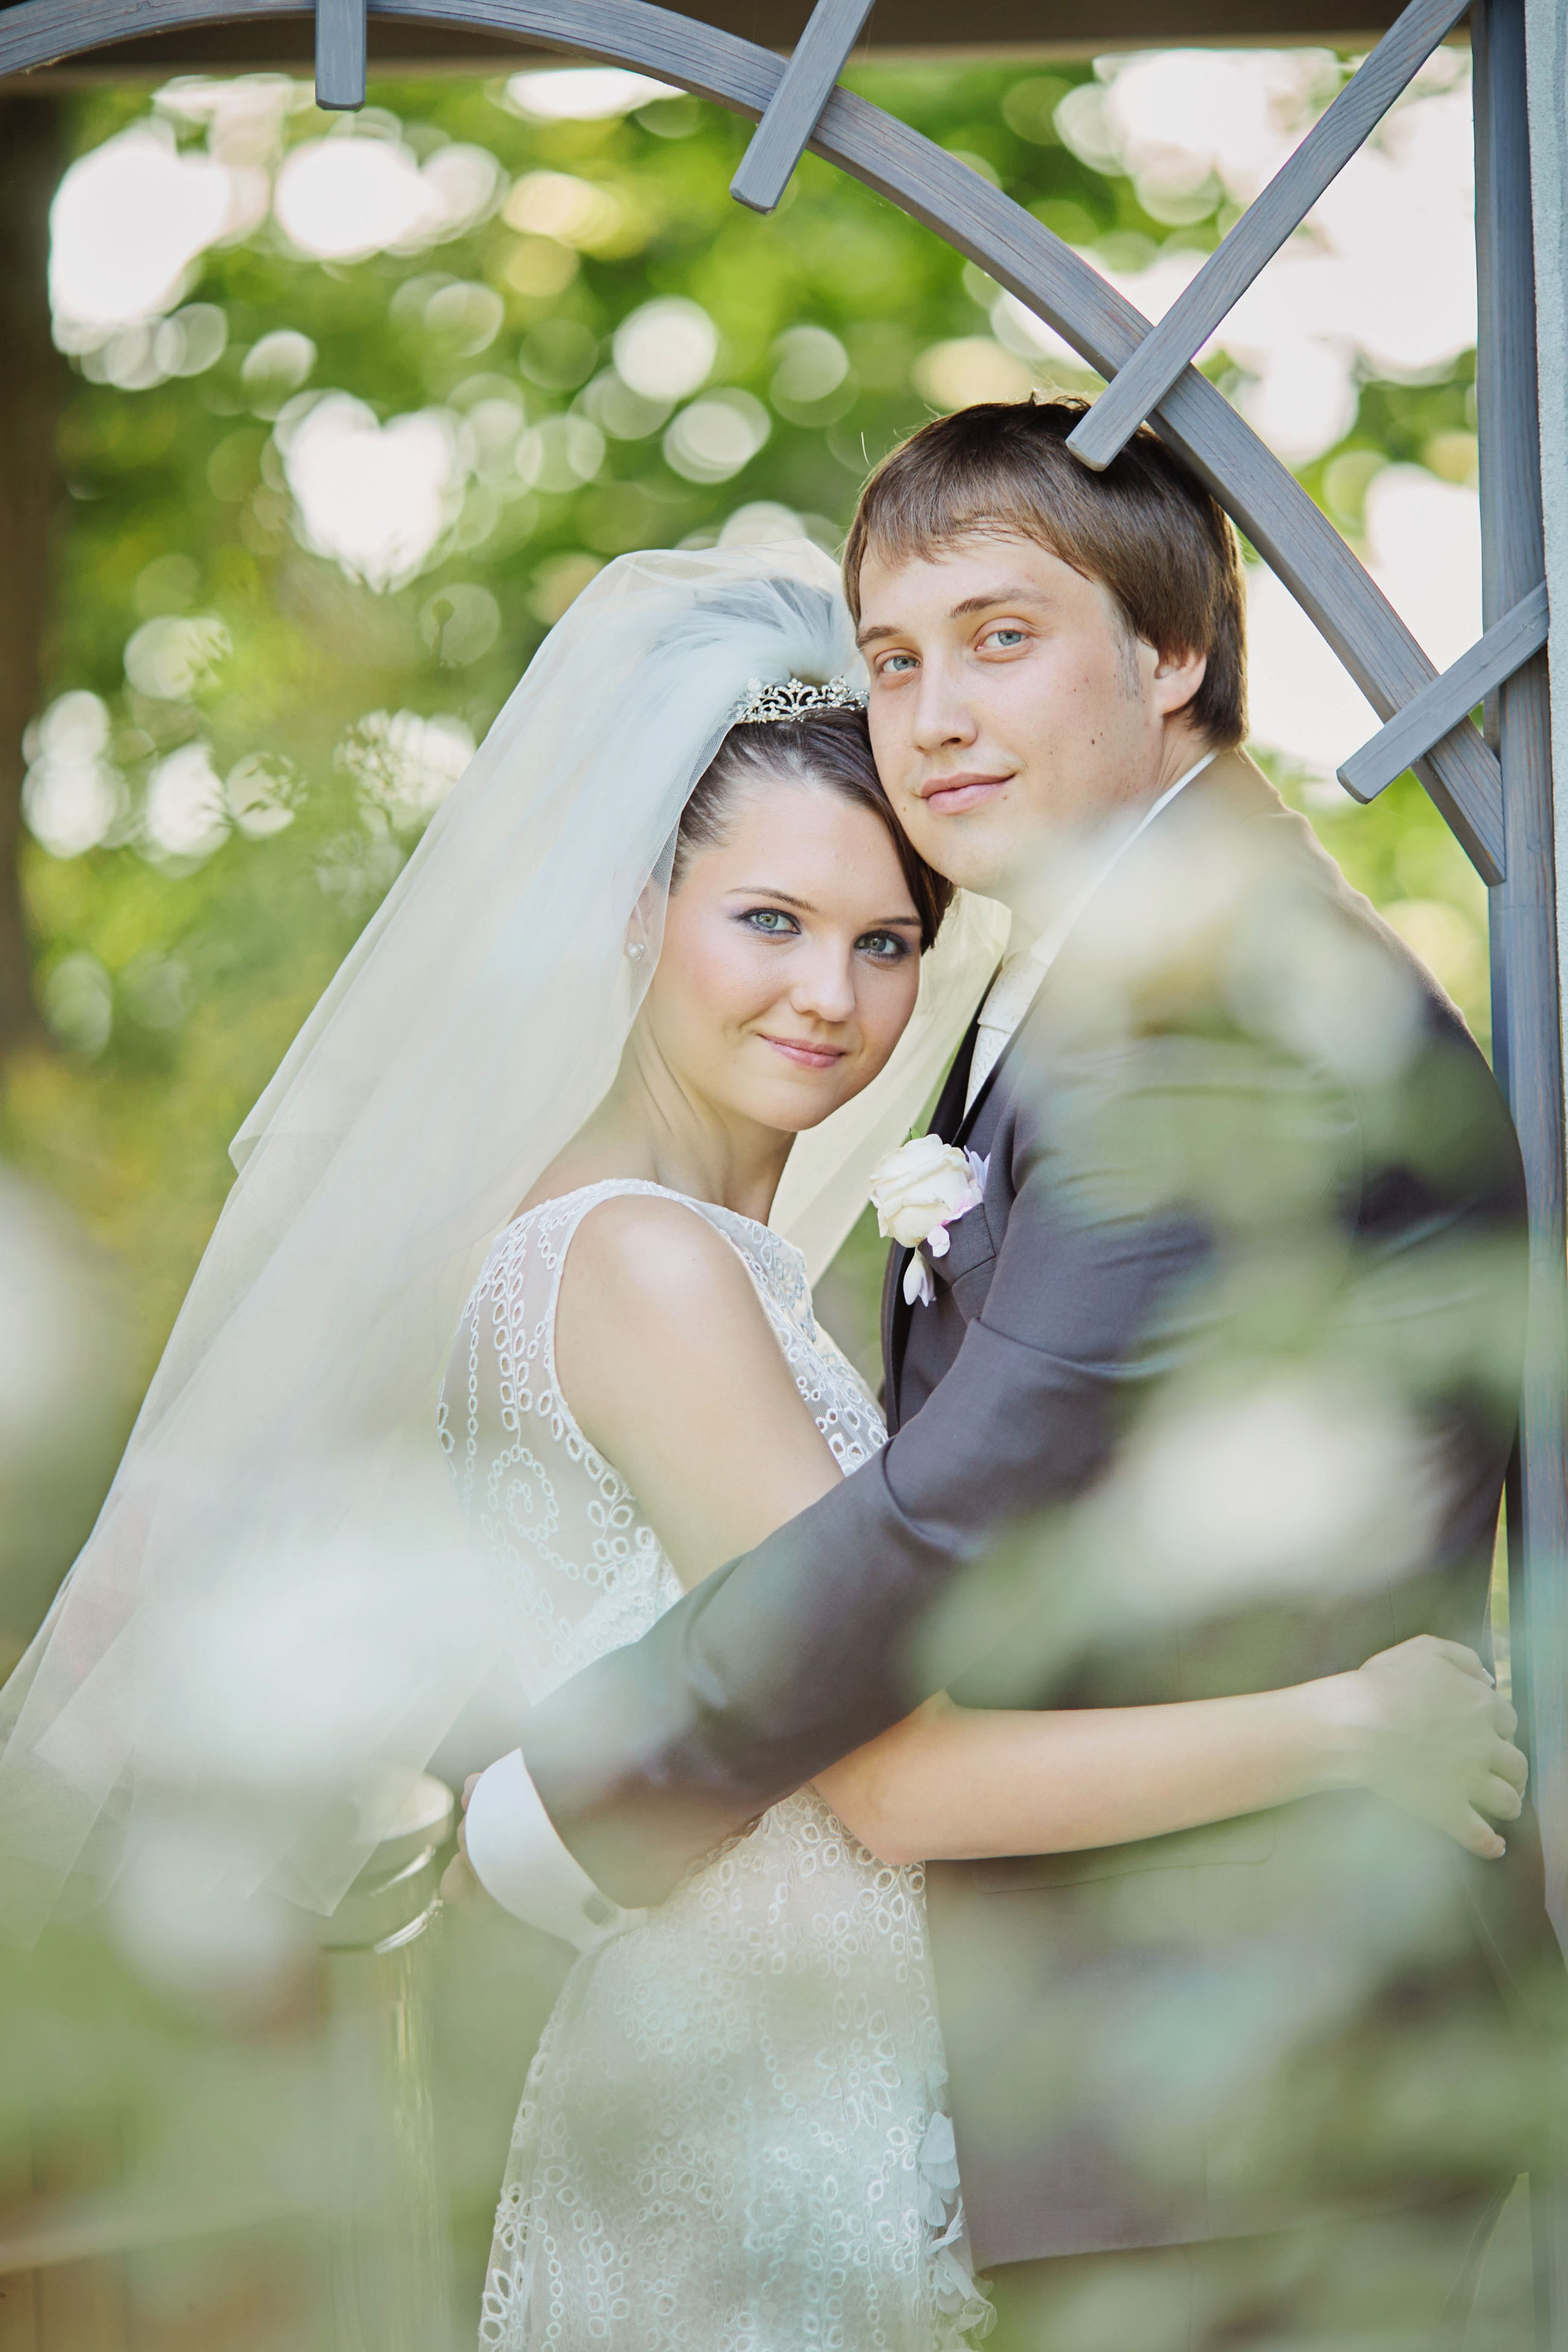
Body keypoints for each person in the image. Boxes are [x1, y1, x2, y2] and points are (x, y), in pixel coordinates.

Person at [458, 407, 1562, 2350]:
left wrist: (574, 1792)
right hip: (1137, 2087)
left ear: (1172, 654)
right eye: (895, 659)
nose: (934, 712)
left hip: (1239, 2078)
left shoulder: (1200, 1010)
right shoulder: (1093, 991)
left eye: (1000, 637)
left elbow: (962, 1502)